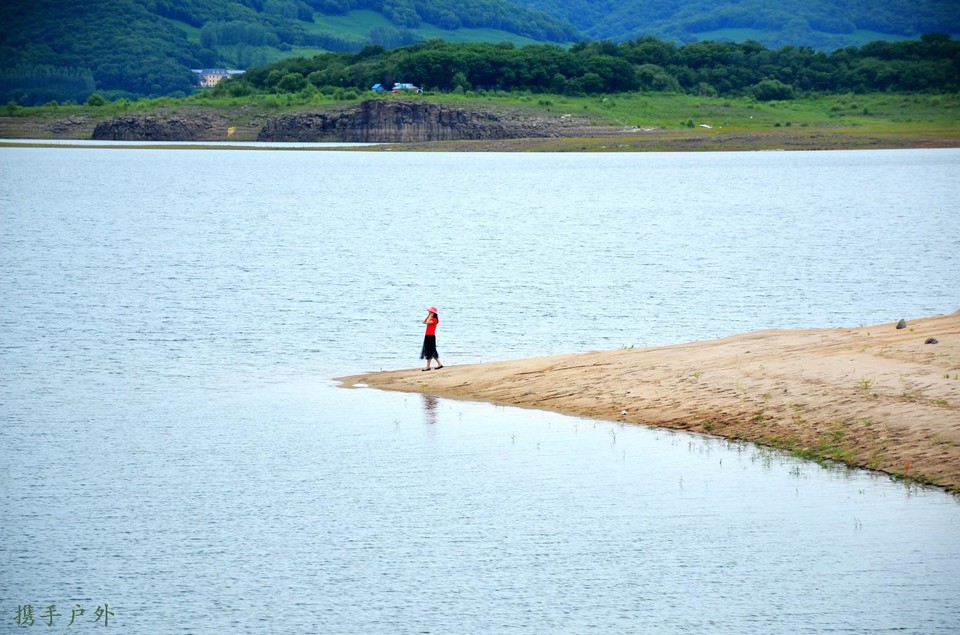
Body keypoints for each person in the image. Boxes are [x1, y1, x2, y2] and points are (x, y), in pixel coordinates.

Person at [421, 306, 443, 371]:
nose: (429, 312)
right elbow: (424, 322)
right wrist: (428, 315)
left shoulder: (434, 319)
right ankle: (436, 365)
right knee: (430, 351)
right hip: (427, 336)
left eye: (430, 311)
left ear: (433, 313)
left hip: (431, 336)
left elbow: (427, 322)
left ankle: (430, 366)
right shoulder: (431, 318)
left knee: (431, 351)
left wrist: (430, 316)